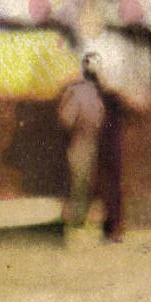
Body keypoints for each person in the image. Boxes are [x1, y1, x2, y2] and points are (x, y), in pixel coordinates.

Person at [58, 52, 123, 240]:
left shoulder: (77, 91)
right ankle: (99, 225)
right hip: (101, 142)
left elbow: (66, 119)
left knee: (81, 184)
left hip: (84, 140)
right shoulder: (108, 92)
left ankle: (79, 226)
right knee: (95, 183)